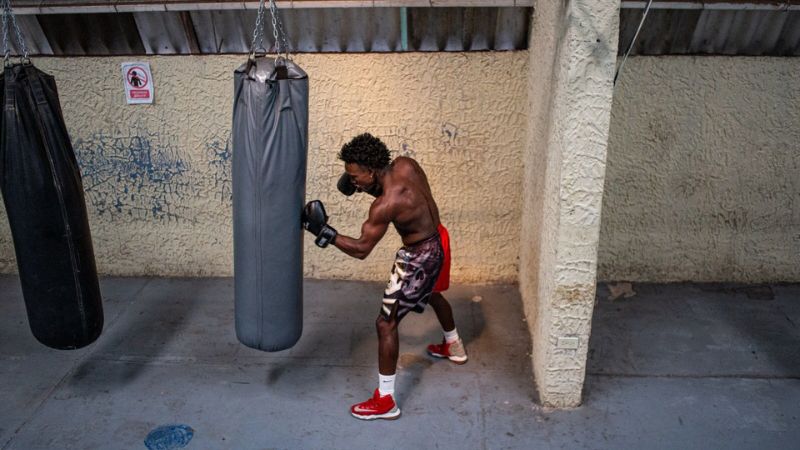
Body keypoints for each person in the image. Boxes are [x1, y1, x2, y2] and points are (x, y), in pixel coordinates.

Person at [302, 133, 468, 421]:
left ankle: (386, 400)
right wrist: (364, 185)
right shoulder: (406, 164)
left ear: (372, 169)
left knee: (386, 323)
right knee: (432, 293)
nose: (352, 182)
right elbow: (403, 192)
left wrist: (323, 231)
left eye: (356, 176)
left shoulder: (384, 205)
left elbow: (361, 249)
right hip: (439, 238)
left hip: (419, 256)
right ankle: (453, 344)